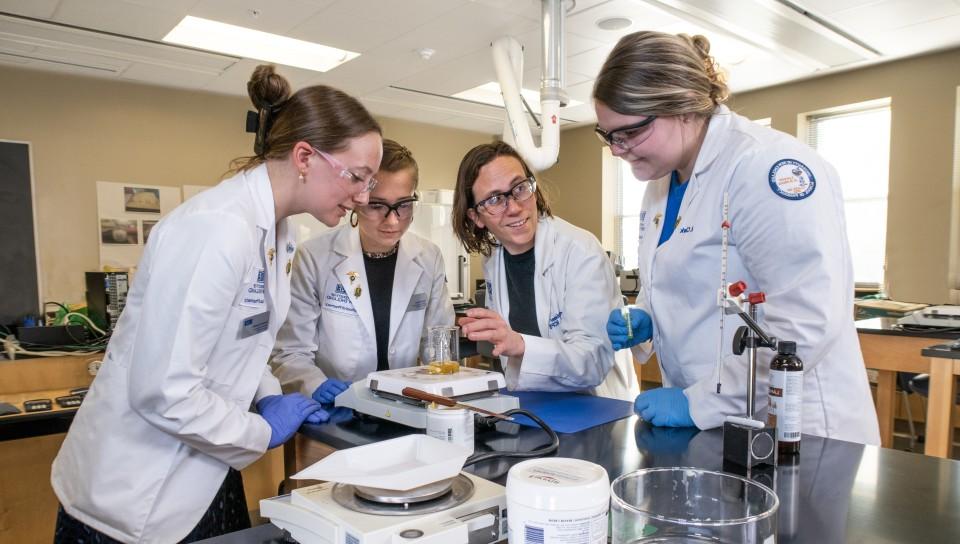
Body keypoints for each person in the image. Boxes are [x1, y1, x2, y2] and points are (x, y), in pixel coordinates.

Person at [50, 65, 384, 543]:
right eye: (358, 177)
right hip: (134, 494)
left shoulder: (279, 232)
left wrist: (268, 392)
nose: (362, 197)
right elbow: (162, 390)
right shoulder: (215, 229)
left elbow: (247, 339)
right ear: (306, 156)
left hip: (204, 470)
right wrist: (261, 432)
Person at [594, 31, 880, 445]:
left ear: (684, 106)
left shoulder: (767, 167)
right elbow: (691, 285)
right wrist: (647, 316)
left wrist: (707, 401)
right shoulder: (661, 182)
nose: (618, 150)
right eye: (608, 136)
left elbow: (804, 322)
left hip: (798, 427)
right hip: (710, 421)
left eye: (629, 132)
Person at [269, 140, 454, 402]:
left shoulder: (428, 257)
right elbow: (291, 352)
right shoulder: (315, 258)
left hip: (407, 402)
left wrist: (441, 386)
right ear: (357, 199)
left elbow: (439, 341)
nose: (392, 220)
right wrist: (315, 385)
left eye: (403, 204)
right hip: (338, 407)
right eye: (377, 205)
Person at [452, 141, 637, 399]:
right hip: (535, 402)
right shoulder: (494, 258)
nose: (514, 207)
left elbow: (592, 362)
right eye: (495, 199)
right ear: (476, 217)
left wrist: (519, 344)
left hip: (598, 406)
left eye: (519, 188)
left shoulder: (580, 250)